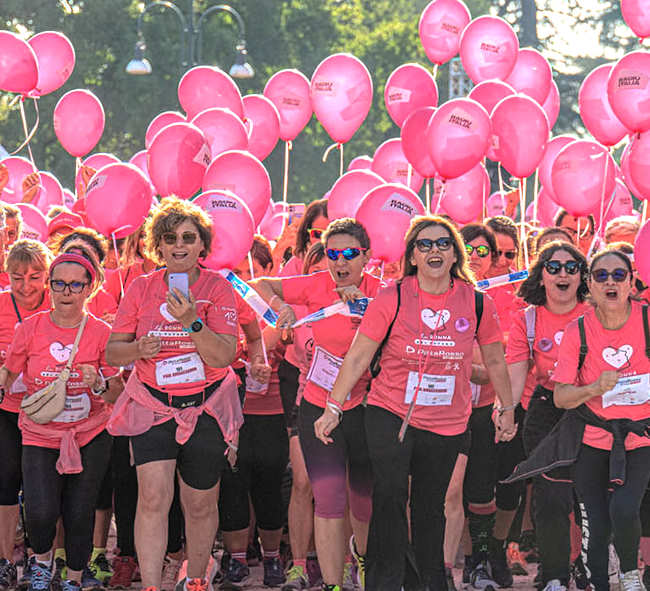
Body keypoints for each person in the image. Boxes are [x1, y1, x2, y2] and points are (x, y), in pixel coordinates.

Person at [314, 216, 515, 591]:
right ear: (413, 256)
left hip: (448, 422)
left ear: (455, 254)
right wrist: (333, 407)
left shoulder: (476, 302)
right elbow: (359, 356)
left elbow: (495, 360)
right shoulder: (393, 296)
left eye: (442, 244)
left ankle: (428, 581)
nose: (434, 250)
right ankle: (385, 582)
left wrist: (506, 408)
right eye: (424, 245)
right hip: (390, 413)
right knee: (389, 496)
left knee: (429, 506)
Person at [106, 196, 241, 591]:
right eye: (169, 237)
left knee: (200, 504)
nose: (179, 244)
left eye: (188, 236)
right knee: (152, 498)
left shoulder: (217, 288)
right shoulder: (140, 288)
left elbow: (225, 354)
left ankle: (195, 580)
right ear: (158, 246)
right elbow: (114, 349)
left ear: (202, 245)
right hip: (152, 406)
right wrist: (137, 350)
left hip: (205, 407)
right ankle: (151, 585)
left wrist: (191, 320)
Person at [253, 218, 382, 591]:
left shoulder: (383, 292)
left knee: (362, 501)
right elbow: (260, 285)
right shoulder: (316, 284)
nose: (340, 263)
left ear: (366, 257)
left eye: (349, 254)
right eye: (332, 254)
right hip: (317, 405)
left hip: (364, 407)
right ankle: (332, 584)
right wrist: (282, 306)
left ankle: (362, 559)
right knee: (327, 498)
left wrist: (364, 309)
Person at [0, 249, 123, 591]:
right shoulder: (31, 328)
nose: (66, 292)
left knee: (79, 511)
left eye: (75, 285)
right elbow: (9, 372)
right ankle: (41, 565)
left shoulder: (102, 333)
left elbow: (116, 392)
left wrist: (97, 382)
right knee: (40, 510)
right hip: (40, 433)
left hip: (89, 434)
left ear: (89, 288)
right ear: (50, 287)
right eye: (59, 284)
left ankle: (73, 578)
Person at [552, 248, 650, 591]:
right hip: (592, 440)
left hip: (639, 439)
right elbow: (560, 397)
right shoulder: (577, 331)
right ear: (589, 286)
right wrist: (593, 387)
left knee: (624, 509)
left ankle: (628, 573)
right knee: (595, 523)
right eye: (601, 276)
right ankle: (599, 584)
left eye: (619, 275)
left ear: (632, 280)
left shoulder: (647, 320)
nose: (610, 282)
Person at [506, 242, 589, 591]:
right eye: (554, 268)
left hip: (591, 410)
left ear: (582, 277)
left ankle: (588, 566)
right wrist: (506, 411)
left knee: (590, 494)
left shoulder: (598, 313)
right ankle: (554, 574)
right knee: (550, 495)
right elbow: (514, 374)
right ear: (541, 276)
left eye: (571, 268)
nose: (563, 274)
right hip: (544, 411)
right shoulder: (526, 319)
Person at [216, 237, 288, 589]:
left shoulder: (279, 308)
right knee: (233, 482)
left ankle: (272, 556)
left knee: (269, 484)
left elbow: (279, 341)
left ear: (266, 272)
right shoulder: (217, 306)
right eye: (235, 273)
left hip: (271, 410)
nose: (240, 281)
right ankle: (237, 557)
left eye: (249, 272)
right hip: (230, 410)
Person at [459, 223, 517, 588]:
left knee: (483, 492)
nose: (474, 258)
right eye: (467, 249)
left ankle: (479, 560)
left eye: (483, 252)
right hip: (438, 412)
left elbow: (506, 357)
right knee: (446, 493)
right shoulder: (435, 290)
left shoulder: (502, 298)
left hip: (483, 408)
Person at [0, 240, 52, 591]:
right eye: (17, 278)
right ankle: (5, 559)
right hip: (7, 409)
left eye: (34, 277)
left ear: (47, 276)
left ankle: (41, 559)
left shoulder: (59, 302)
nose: (25, 286)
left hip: (49, 412)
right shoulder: (2, 304)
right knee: (5, 483)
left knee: (41, 491)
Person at [277, 199, 329, 276]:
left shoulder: (349, 262)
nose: (323, 240)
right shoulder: (297, 263)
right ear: (307, 235)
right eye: (317, 234)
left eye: (330, 234)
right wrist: (280, 248)